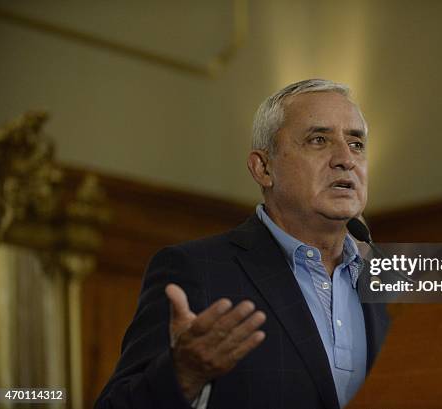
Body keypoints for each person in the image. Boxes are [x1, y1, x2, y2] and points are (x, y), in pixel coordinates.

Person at [95, 79, 389, 409]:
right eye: (319, 140)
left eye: (357, 144)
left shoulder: (392, 279)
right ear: (263, 168)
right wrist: (184, 373)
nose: (345, 159)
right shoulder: (198, 270)